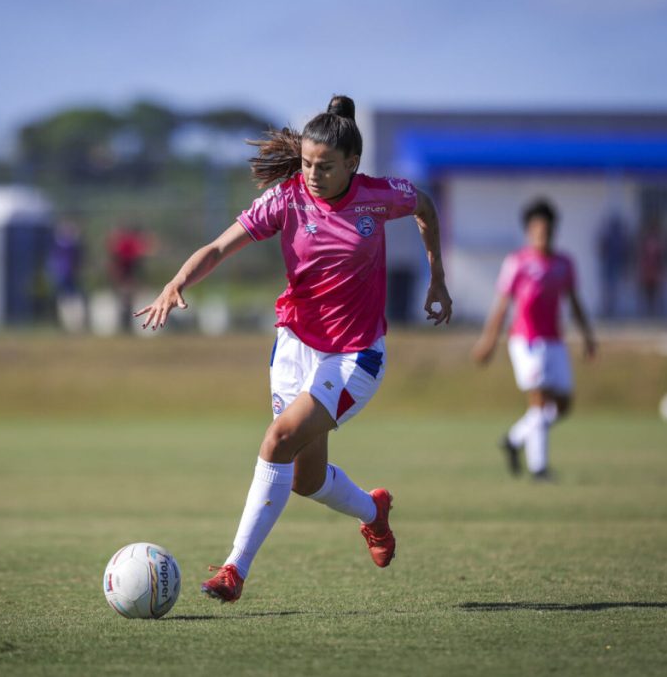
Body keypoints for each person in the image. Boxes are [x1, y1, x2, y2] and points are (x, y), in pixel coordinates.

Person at [135, 95, 453, 603]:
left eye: (325, 166)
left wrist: (436, 277)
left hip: (355, 356)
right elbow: (218, 248)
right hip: (294, 347)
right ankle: (374, 512)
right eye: (306, 164)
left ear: (352, 164)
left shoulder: (379, 196)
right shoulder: (286, 200)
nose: (312, 175)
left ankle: (234, 570)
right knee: (305, 480)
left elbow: (426, 207)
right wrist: (177, 282)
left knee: (277, 440)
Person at [471, 198, 596, 480]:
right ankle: (539, 468)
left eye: (547, 230)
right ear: (529, 232)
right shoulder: (518, 262)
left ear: (554, 230)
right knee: (539, 401)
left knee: (562, 405)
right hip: (526, 341)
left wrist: (588, 336)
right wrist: (489, 341)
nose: (543, 235)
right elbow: (502, 305)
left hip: (555, 341)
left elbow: (574, 302)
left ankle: (514, 439)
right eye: (537, 230)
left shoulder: (564, 264)